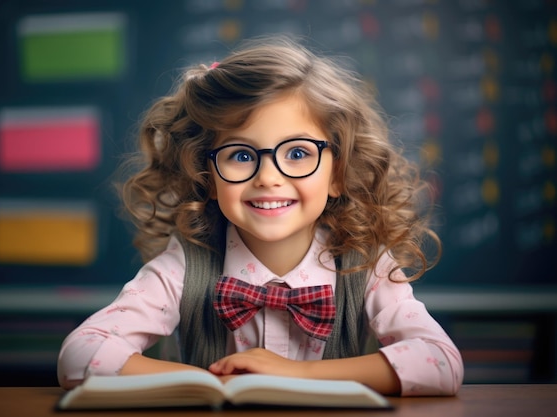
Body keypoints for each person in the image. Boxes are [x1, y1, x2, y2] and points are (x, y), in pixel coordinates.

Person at [57, 36, 463, 396]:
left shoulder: (366, 265)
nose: (268, 178)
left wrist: (296, 376)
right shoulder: (185, 265)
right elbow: (81, 354)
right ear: (209, 175)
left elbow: (441, 363)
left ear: (337, 173)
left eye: (298, 153)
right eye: (240, 155)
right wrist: (205, 385)